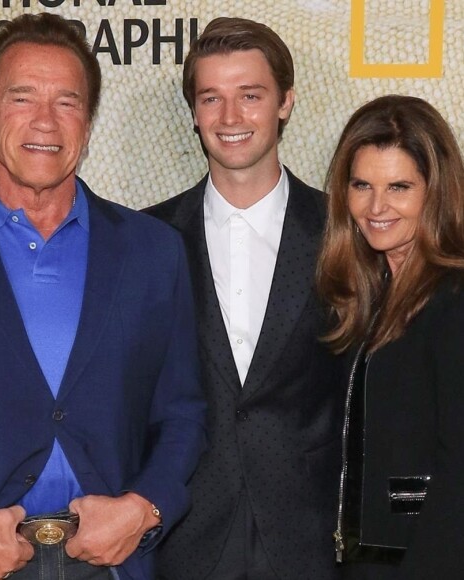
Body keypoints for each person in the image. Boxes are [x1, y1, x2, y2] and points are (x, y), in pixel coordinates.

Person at [0, 13, 206, 580]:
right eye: (22, 98)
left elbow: (183, 415)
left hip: (112, 565)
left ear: (87, 121)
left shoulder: (155, 253)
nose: (45, 121)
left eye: (67, 101)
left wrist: (143, 509)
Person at [145, 17, 344, 580]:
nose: (230, 118)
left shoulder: (345, 233)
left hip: (310, 538)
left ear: (285, 102)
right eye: (212, 98)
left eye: (250, 96)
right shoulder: (147, 242)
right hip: (184, 536)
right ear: (194, 112)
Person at [317, 94, 464, 579]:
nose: (376, 207)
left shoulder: (454, 296)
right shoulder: (366, 292)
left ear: (435, 191)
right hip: (365, 560)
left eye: (399, 186)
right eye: (362, 185)